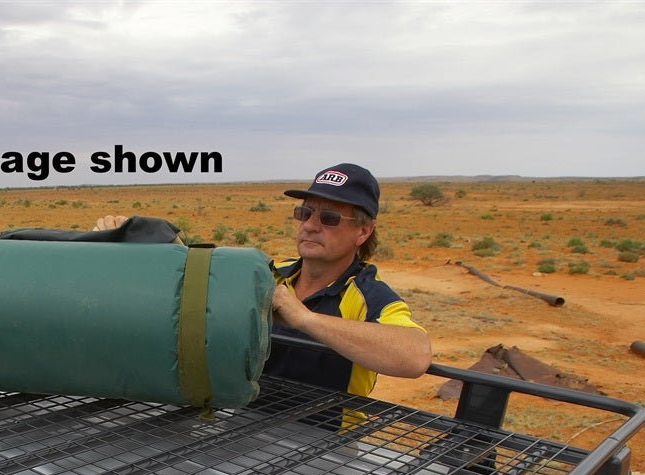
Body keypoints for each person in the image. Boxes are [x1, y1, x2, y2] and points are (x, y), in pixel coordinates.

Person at [95, 162, 430, 397]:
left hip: (326, 445)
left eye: (329, 217)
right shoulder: (273, 271)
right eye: (305, 212)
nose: (310, 225)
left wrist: (304, 318)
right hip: (246, 424)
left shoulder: (367, 294)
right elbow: (201, 281)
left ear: (363, 230)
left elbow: (414, 356)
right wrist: (141, 247)